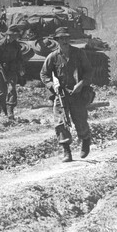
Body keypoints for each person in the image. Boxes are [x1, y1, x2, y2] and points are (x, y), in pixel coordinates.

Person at [40, 27, 94, 162]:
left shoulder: (79, 53)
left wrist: (81, 84)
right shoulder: (52, 57)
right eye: (61, 39)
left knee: (80, 121)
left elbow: (89, 72)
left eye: (66, 38)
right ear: (57, 40)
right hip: (61, 94)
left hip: (78, 93)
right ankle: (66, 151)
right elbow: (44, 74)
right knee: (60, 122)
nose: (64, 41)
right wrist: (52, 86)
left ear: (69, 39)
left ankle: (86, 140)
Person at [0, 24, 25, 120]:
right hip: (0, 70)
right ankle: (3, 109)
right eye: (12, 35)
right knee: (2, 92)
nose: (13, 38)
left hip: (12, 69)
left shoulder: (16, 45)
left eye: (15, 36)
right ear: (7, 35)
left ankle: (10, 111)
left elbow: (20, 58)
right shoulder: (0, 44)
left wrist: (20, 68)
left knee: (12, 89)